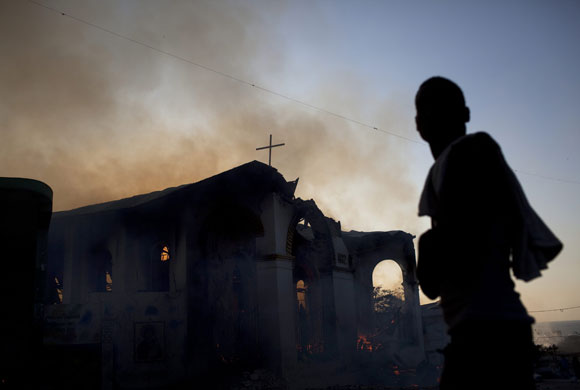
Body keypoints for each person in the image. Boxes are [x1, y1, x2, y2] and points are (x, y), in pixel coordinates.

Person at [414, 76, 562, 389]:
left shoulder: (474, 150)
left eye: (441, 108)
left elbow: (459, 245)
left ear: (465, 114)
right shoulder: (442, 169)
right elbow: (433, 282)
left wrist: (430, 243)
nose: (432, 118)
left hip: (488, 330)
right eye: (428, 110)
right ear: (418, 124)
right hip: (478, 330)